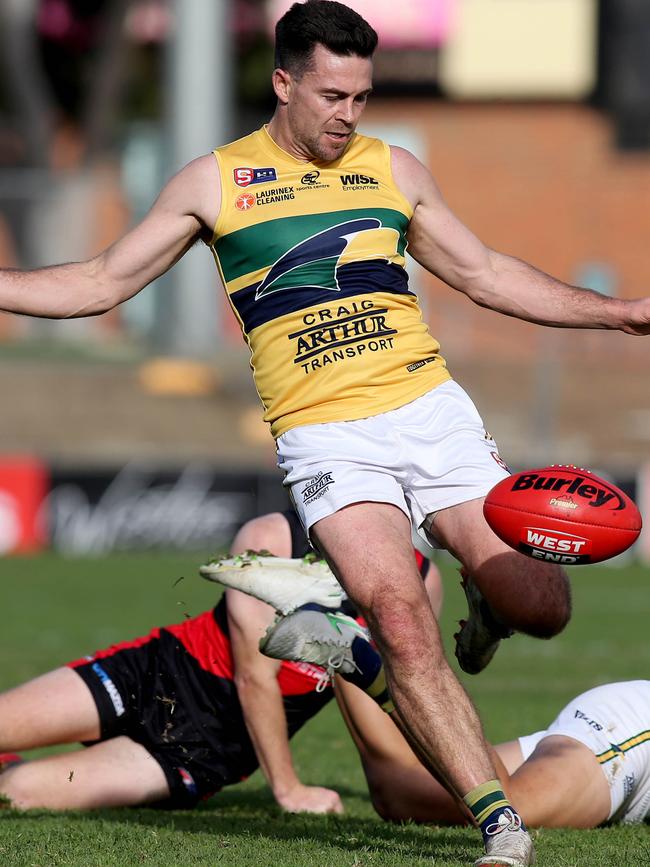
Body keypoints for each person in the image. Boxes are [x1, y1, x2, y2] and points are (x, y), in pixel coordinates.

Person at [2, 1, 649, 862]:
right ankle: (500, 823)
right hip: (327, 440)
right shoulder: (215, 182)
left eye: (362, 97)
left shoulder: (396, 169)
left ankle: (491, 606)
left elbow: (487, 273)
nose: (348, 114)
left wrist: (622, 314)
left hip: (430, 414)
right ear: (283, 82)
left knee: (545, 608)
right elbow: (96, 282)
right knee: (398, 616)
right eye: (332, 95)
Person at [0, 511, 345, 813]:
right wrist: (289, 789)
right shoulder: (274, 535)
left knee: (15, 792)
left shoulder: (386, 590)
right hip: (153, 677)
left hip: (203, 752)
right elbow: (254, 676)